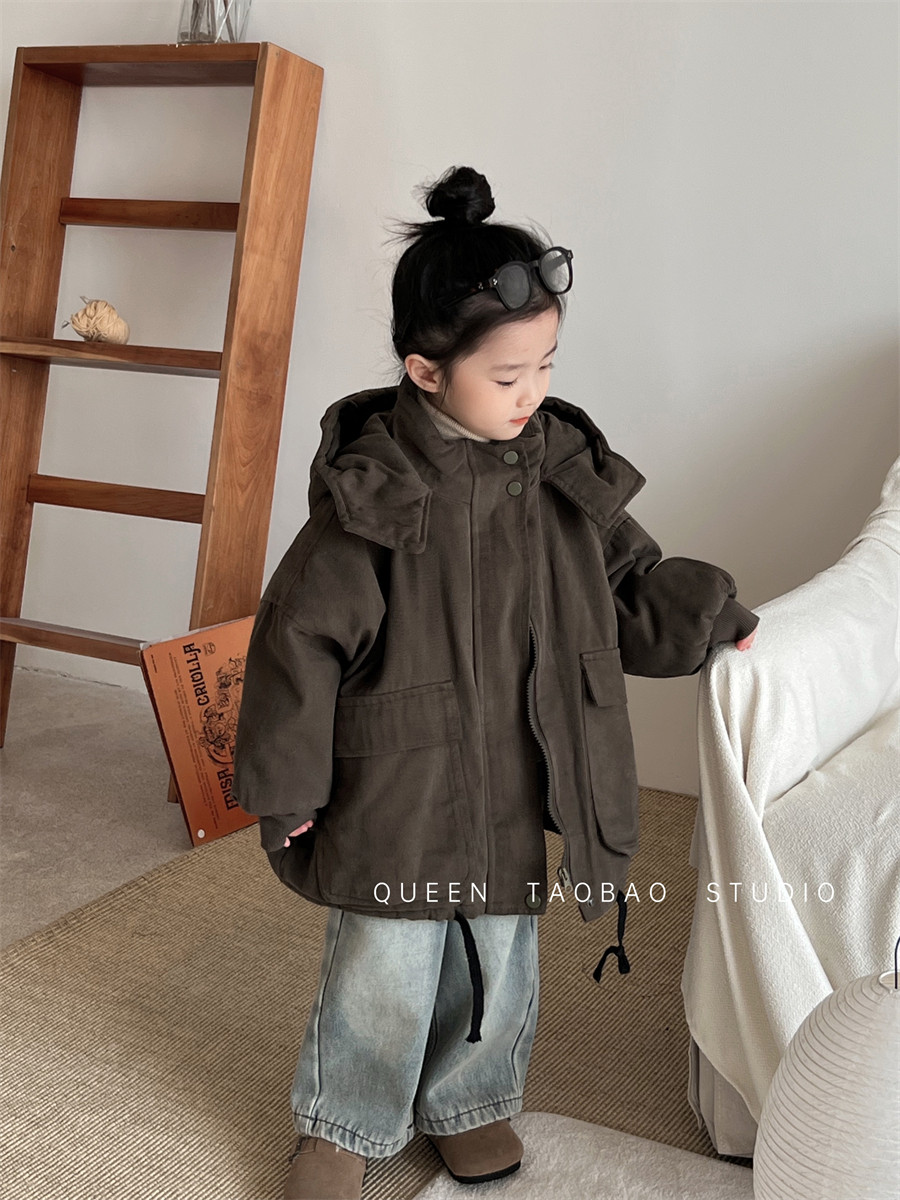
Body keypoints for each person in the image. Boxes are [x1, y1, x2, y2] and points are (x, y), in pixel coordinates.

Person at [231, 164, 759, 1200]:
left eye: (545, 367)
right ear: (426, 371)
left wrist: (706, 618)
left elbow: (626, 580)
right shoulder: (377, 490)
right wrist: (290, 786)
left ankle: (470, 1103)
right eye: (508, 375)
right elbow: (300, 640)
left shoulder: (560, 468)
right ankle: (342, 1126)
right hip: (398, 774)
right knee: (385, 961)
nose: (533, 393)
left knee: (498, 952)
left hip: (523, 762)